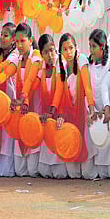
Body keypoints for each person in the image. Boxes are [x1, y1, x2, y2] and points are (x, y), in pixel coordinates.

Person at [51, 33, 96, 179]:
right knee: (72, 172)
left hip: (83, 110)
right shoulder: (60, 65)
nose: (68, 52)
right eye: (65, 49)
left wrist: (91, 109)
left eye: (71, 48)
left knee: (87, 173)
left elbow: (88, 87)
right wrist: (53, 111)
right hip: (68, 112)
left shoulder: (81, 59)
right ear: (61, 51)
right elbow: (58, 91)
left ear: (76, 48)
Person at [87, 29, 110, 181]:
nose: (91, 50)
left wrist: (107, 108)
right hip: (95, 113)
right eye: (90, 46)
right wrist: (92, 109)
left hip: (109, 111)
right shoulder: (88, 65)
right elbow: (87, 90)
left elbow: (108, 86)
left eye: (94, 46)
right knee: (98, 144)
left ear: (103, 45)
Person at [36, 34, 67, 179]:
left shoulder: (62, 66)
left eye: (53, 50)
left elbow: (61, 92)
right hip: (47, 118)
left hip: (61, 115)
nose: (50, 55)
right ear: (41, 54)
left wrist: (57, 112)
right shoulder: (41, 70)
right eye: (46, 52)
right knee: (44, 171)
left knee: (60, 172)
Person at [13, 23, 42, 177]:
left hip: (34, 110)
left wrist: (24, 99)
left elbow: (32, 80)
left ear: (31, 40)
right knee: (19, 170)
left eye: (22, 41)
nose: (19, 45)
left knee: (32, 170)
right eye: (17, 42)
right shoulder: (18, 59)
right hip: (21, 112)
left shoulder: (36, 57)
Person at [0, 22, 17, 177]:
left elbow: (5, 70)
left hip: (10, 103)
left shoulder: (14, 55)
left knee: (7, 138)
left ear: (13, 39)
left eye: (5, 35)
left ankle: (6, 171)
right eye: (1, 34)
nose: (1, 37)